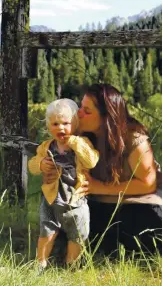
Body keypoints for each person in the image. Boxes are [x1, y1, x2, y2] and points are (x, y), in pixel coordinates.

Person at [41, 84, 162, 256]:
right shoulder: (79, 133)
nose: (79, 113)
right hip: (100, 203)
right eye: (81, 107)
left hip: (136, 205)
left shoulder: (134, 139)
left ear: (107, 117)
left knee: (141, 229)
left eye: (87, 111)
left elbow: (148, 185)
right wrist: (50, 170)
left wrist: (99, 187)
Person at [28, 98, 99, 269]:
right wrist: (40, 164)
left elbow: (91, 161)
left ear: (75, 123)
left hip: (75, 200)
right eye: (55, 124)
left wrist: (74, 142)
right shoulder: (46, 147)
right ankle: (40, 263)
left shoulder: (81, 143)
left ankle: (71, 264)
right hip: (51, 199)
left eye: (66, 123)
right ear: (48, 126)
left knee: (78, 235)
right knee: (47, 231)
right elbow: (32, 165)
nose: (61, 128)